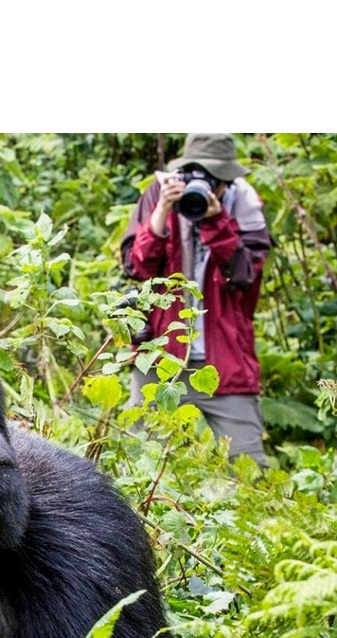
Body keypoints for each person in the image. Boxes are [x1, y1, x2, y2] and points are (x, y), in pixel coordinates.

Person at [121, 133, 272, 467]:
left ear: (226, 181)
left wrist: (216, 221)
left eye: (214, 180)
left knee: (248, 466)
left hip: (227, 358)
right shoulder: (158, 195)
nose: (205, 187)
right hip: (161, 355)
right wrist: (162, 210)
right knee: (142, 460)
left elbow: (244, 277)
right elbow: (137, 267)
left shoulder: (243, 204)